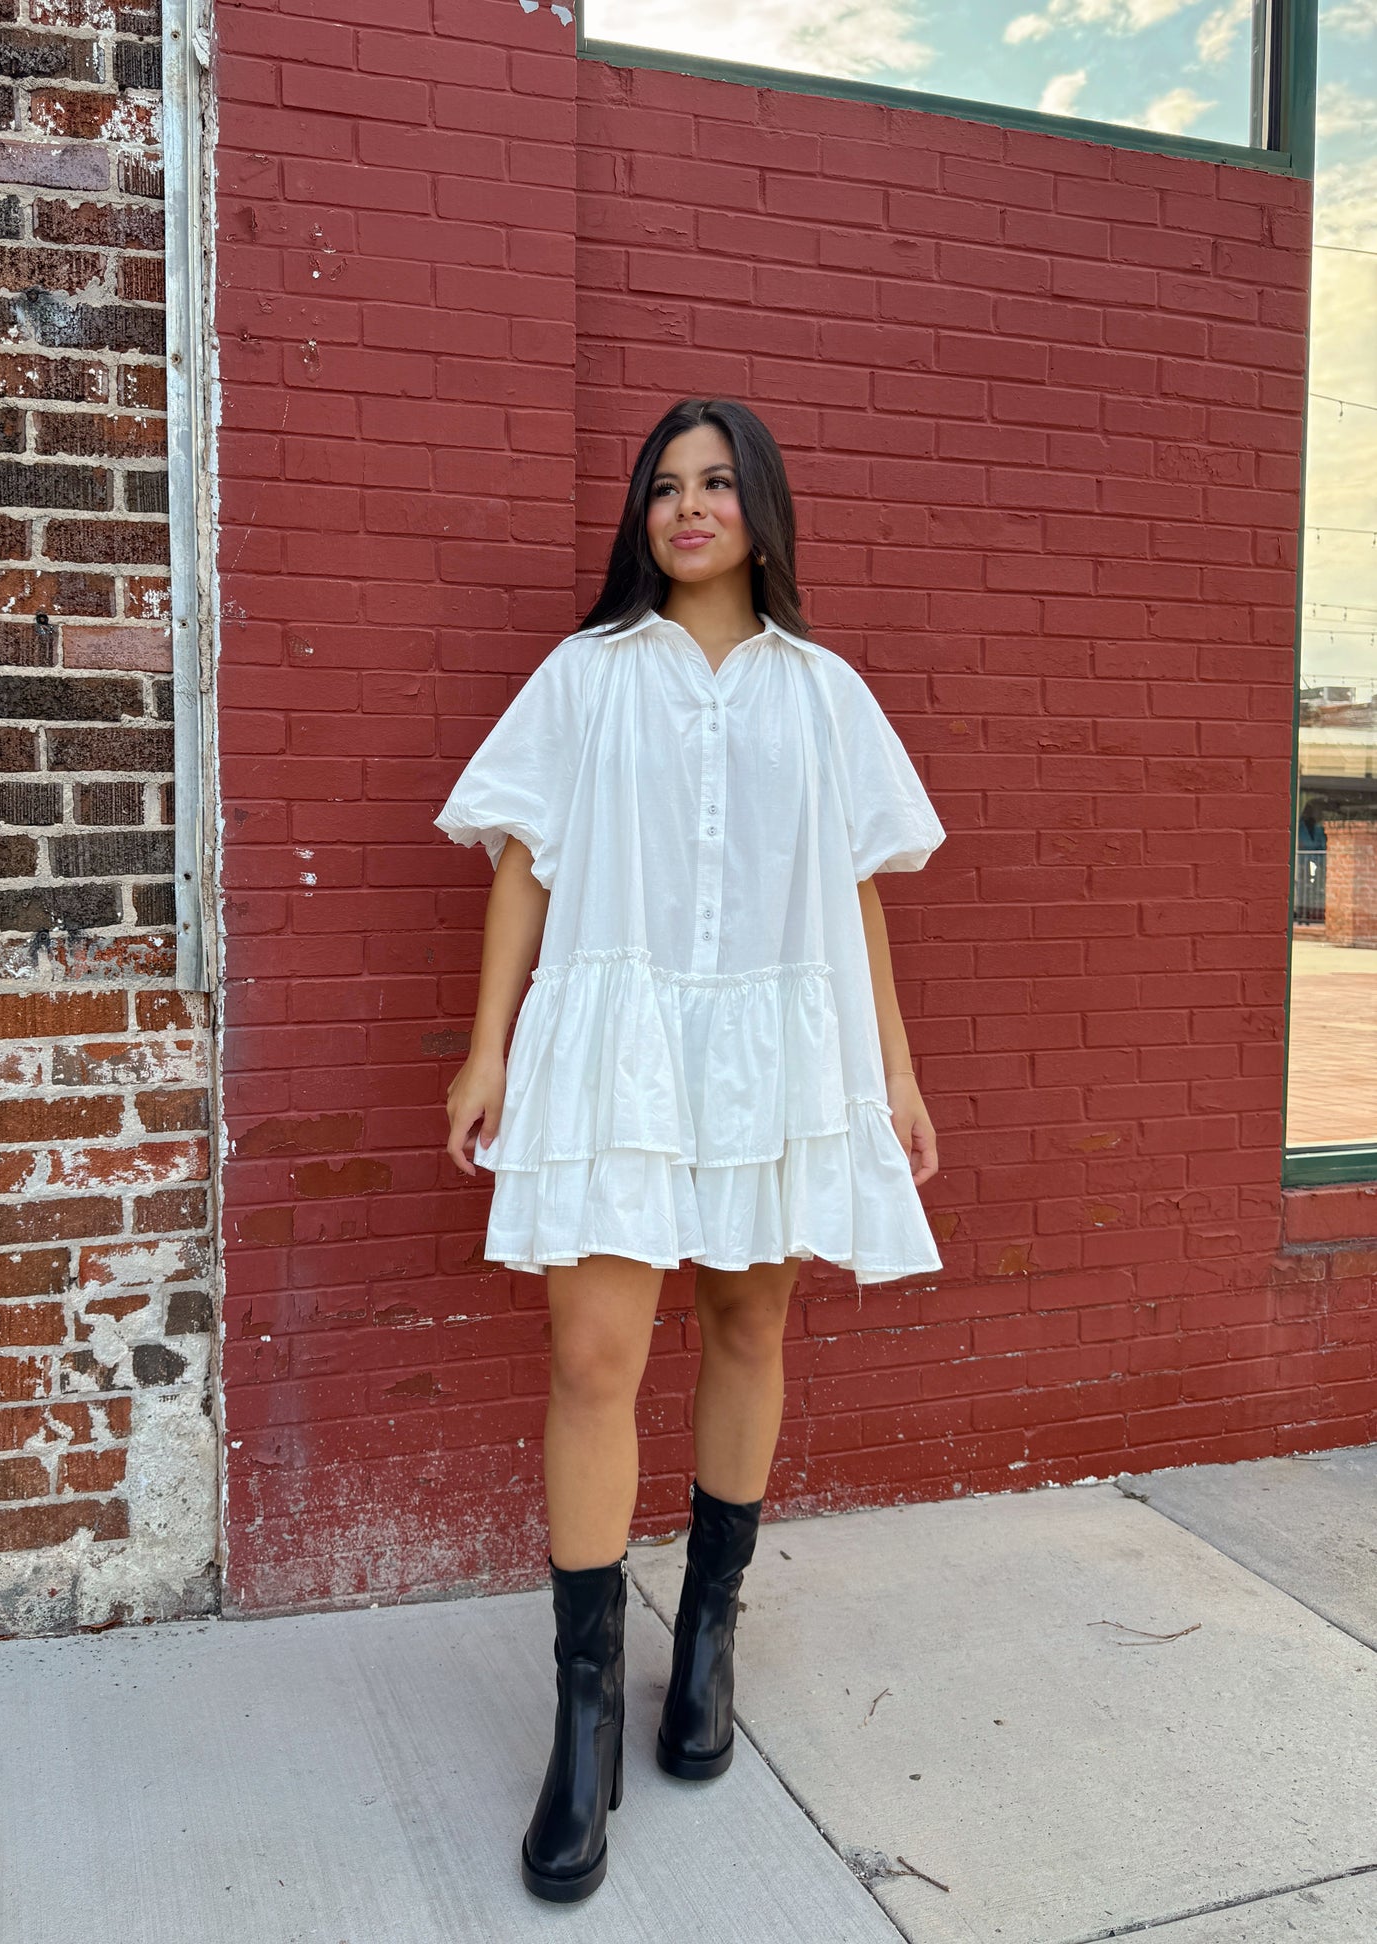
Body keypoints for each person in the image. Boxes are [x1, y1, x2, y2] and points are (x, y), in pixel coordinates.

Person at [434, 397, 946, 1903]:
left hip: (777, 1051)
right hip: (612, 1044)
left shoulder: (824, 691)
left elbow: (859, 894)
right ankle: (583, 1713)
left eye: (717, 482)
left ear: (761, 507)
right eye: (665, 485)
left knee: (747, 1320)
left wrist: (894, 1076)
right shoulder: (584, 678)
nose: (689, 505)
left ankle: (707, 1640)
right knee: (592, 1356)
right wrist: (487, 1046)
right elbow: (524, 861)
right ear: (639, 516)